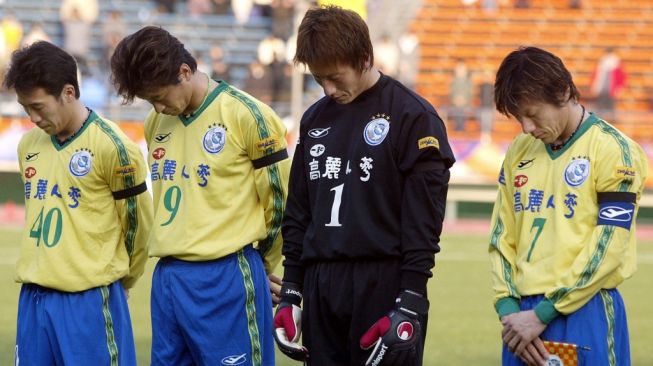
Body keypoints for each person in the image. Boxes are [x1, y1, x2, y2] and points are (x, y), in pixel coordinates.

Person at [273, 5, 455, 366]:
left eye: (335, 77)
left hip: (383, 285)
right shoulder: (314, 119)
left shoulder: (413, 117)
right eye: (318, 78)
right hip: (321, 286)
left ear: (365, 58)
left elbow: (423, 222)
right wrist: (293, 289)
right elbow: (300, 210)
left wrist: (412, 299)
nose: (328, 88)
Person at [110, 26, 290, 365]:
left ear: (184, 71)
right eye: (150, 101)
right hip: (168, 279)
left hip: (226, 275)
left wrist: (258, 267)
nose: (158, 108)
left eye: (159, 96)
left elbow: (280, 204)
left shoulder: (248, 116)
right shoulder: (155, 123)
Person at [489, 46, 648, 366]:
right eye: (519, 118)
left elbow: (608, 246)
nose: (526, 128)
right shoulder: (520, 150)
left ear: (563, 92)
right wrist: (509, 311)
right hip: (519, 322)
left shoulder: (613, 150)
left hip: (583, 310)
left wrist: (544, 313)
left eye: (532, 114)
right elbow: (501, 234)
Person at [4, 41, 152, 365]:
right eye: (25, 107)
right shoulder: (29, 145)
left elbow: (138, 227)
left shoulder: (114, 147)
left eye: (38, 107)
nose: (32, 117)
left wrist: (124, 281)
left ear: (69, 92)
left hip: (89, 300)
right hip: (33, 298)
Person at [590, 47, 626, 121]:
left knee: (611, 104)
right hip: (602, 87)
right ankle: (600, 118)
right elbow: (596, 75)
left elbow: (621, 77)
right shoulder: (601, 63)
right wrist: (594, 86)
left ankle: (612, 118)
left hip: (612, 88)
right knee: (601, 104)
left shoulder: (617, 64)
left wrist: (619, 87)